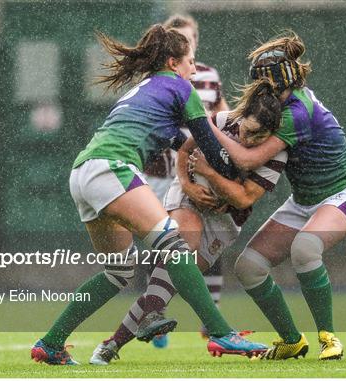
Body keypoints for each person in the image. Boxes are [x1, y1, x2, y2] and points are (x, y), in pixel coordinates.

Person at [30, 24, 267, 366]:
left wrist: (194, 159)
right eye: (190, 61)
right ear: (173, 63)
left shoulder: (147, 88)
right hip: (111, 169)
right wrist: (245, 170)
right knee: (174, 245)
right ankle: (220, 332)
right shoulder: (181, 88)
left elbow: (175, 141)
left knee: (118, 272)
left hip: (83, 172)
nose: (195, 69)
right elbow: (211, 148)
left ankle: (51, 344)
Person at [89, 79, 287, 365]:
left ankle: (109, 346)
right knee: (183, 248)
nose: (250, 141)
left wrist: (210, 172)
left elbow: (244, 200)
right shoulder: (220, 120)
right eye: (249, 131)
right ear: (242, 117)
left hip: (225, 219)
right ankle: (221, 332)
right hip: (187, 199)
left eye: (260, 137)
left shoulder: (275, 153)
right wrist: (188, 183)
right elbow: (184, 150)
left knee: (168, 283)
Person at [211, 32, 346, 360]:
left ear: (269, 82)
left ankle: (329, 338)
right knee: (249, 267)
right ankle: (291, 340)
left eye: (259, 83)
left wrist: (206, 130)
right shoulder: (283, 102)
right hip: (306, 201)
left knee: (306, 247)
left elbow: (247, 159)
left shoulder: (295, 112)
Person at [139, 15, 230, 349]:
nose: (183, 44)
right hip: (160, 173)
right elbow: (172, 133)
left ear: (196, 41)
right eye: (177, 39)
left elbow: (221, 115)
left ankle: (212, 320)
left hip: (197, 167)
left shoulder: (206, 76)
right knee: (162, 246)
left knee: (209, 241)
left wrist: (226, 157)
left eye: (188, 39)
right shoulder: (160, 78)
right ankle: (156, 317)